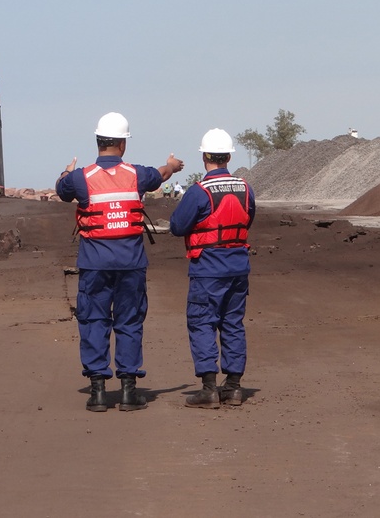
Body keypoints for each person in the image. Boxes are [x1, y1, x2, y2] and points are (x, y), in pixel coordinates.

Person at [56, 112, 184, 412]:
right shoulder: (137, 175)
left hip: (94, 265)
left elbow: (62, 190)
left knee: (93, 321)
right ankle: (128, 391)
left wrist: (66, 172)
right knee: (129, 322)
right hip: (130, 265)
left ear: (98, 141)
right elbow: (162, 174)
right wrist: (174, 166)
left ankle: (98, 391)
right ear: (123, 145)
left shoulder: (80, 178)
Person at [169, 129, 256, 408]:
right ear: (229, 156)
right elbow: (248, 218)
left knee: (202, 323)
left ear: (205, 157)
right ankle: (233, 388)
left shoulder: (199, 191)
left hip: (208, 268)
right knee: (232, 324)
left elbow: (177, 226)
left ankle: (208, 389)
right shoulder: (245, 188)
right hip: (238, 267)